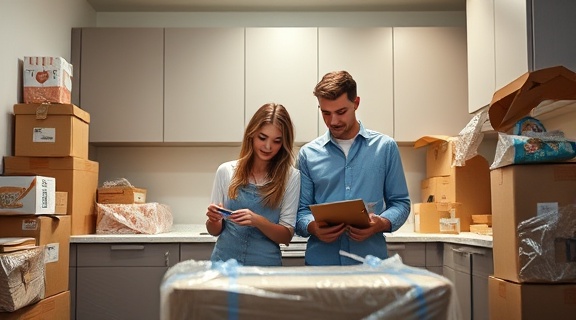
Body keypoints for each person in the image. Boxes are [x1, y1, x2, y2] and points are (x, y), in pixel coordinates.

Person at [295, 71, 411, 266]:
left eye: (341, 112)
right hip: (321, 266)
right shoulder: (308, 154)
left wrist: (381, 223)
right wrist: (313, 227)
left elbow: (401, 203)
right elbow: (299, 213)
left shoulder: (385, 148)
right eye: (325, 113)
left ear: (356, 103)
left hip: (369, 264)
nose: (333, 121)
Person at [206, 103, 300, 267]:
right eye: (262, 138)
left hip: (265, 270)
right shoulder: (226, 171)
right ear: (251, 134)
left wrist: (258, 221)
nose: (268, 146)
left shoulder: (291, 177)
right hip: (224, 266)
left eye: (277, 141)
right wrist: (214, 220)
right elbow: (214, 231)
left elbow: (286, 237)